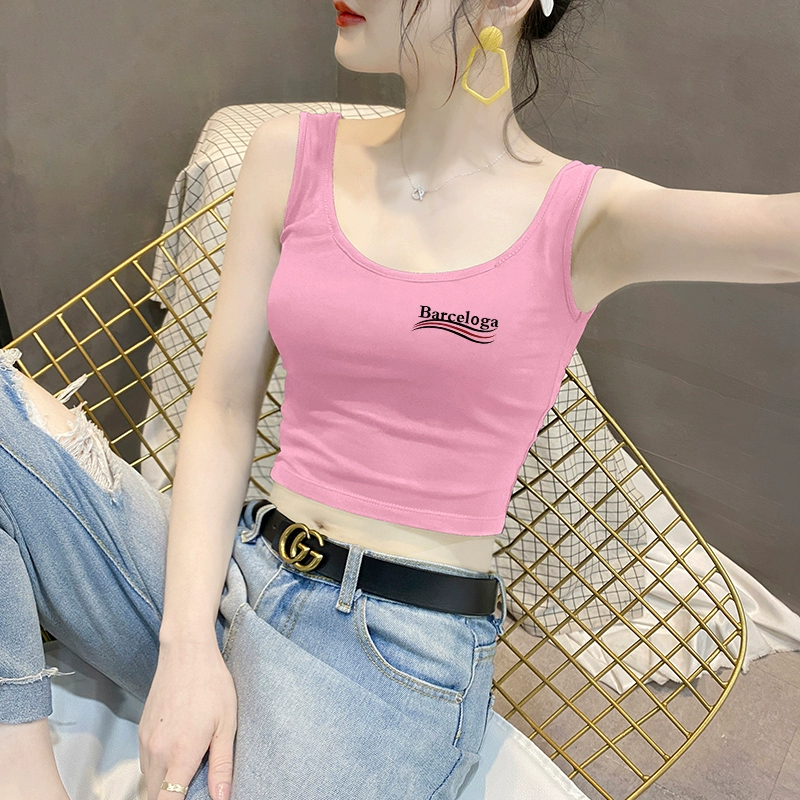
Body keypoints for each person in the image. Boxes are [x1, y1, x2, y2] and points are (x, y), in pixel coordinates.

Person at [2, 1, 799, 799]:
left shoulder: (587, 217)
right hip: (230, 572)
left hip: (390, 655)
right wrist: (186, 651)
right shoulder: (289, 154)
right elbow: (222, 406)